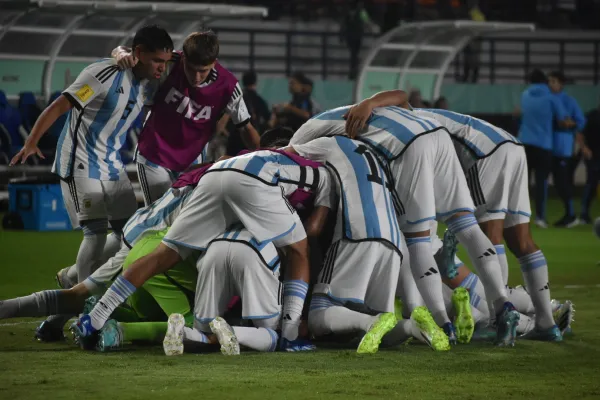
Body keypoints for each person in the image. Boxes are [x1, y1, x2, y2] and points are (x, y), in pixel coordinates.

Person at [291, 98, 520, 347]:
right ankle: (503, 306)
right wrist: (369, 103)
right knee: (467, 226)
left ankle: (444, 325)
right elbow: (401, 95)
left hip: (405, 149)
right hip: (436, 134)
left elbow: (291, 159)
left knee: (418, 241)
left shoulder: (304, 137)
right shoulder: (348, 111)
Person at [72, 148, 332, 351]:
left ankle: (94, 318)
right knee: (300, 250)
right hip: (257, 183)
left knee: (163, 256)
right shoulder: (323, 174)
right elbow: (314, 229)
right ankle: (289, 332)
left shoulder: (269, 154)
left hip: (214, 174)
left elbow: (227, 160)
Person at [10, 25, 173, 287]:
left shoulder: (147, 84)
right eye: (157, 60)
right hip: (80, 161)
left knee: (131, 235)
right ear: (139, 52)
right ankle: (84, 302)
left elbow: (191, 56)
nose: (161, 67)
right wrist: (31, 141)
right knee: (95, 234)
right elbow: (60, 106)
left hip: (112, 165)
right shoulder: (104, 74)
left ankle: (72, 279)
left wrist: (122, 50)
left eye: (165, 62)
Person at [409, 105, 563, 341]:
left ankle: (497, 318)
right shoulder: (424, 114)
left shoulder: (408, 125)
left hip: (483, 154)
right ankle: (546, 322)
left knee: (490, 235)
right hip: (511, 145)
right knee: (522, 241)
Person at [289, 135, 450, 353]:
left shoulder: (329, 141)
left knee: (319, 312)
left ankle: (371, 323)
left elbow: (286, 153)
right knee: (381, 326)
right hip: (393, 239)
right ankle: (413, 326)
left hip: (357, 231)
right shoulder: (373, 154)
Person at [112, 30, 261, 206]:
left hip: (193, 161)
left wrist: (264, 157)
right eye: (191, 69)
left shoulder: (228, 86)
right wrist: (120, 54)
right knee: (158, 218)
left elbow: (245, 127)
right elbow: (126, 51)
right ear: (183, 58)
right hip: (154, 153)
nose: (196, 78)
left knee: (184, 219)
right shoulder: (169, 62)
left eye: (203, 71)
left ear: (214, 63)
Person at [518, 69, 573, 228]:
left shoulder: (525, 95)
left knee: (523, 183)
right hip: (543, 144)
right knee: (541, 183)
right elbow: (563, 120)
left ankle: (521, 216)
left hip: (524, 144)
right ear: (544, 82)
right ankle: (540, 217)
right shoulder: (552, 97)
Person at [548, 71, 587, 227]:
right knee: (557, 182)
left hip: (563, 146)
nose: (551, 84)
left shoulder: (569, 101)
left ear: (561, 84)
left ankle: (571, 215)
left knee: (563, 182)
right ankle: (567, 215)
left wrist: (571, 125)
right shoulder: (547, 99)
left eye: (554, 81)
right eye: (549, 81)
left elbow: (581, 121)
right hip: (548, 145)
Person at [224, 71, 272, 157]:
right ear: (255, 82)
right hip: (251, 139)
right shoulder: (259, 100)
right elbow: (269, 120)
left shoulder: (236, 97)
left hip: (234, 140)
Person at [580, 101, 600, 223]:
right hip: (593, 156)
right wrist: (584, 148)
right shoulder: (591, 116)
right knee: (591, 185)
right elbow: (580, 133)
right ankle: (584, 214)